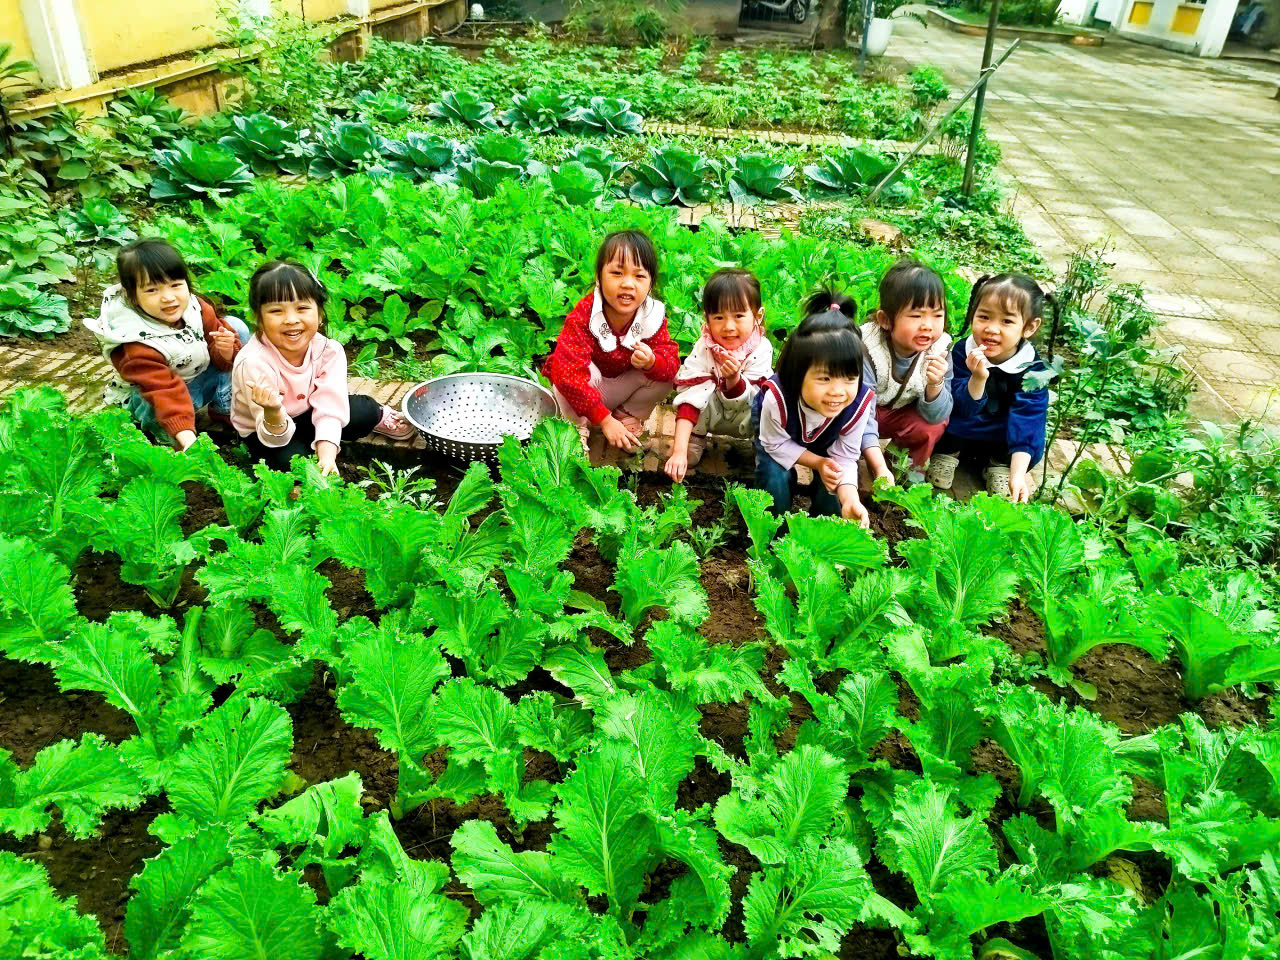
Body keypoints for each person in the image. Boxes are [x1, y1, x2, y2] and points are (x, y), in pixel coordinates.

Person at [230, 261, 415, 475]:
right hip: (268, 428)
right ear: (259, 319)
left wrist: (327, 456)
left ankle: (375, 418)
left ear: (319, 315)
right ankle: (309, 448)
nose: (291, 319)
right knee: (290, 465)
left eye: (302, 308)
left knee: (364, 411)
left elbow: (329, 406)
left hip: (309, 412)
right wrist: (273, 411)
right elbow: (273, 438)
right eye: (276, 311)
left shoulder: (329, 350)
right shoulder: (253, 363)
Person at [84, 238, 249, 450]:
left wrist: (225, 352)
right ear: (131, 294)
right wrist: (190, 443)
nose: (168, 297)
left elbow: (223, 354)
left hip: (189, 379)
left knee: (235, 328)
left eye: (175, 285)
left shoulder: (196, 307)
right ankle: (169, 438)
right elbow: (165, 391)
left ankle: (223, 405)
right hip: (156, 400)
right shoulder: (134, 344)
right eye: (152, 290)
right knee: (154, 408)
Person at [751, 292, 894, 527]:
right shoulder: (777, 399)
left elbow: (845, 457)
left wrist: (850, 499)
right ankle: (773, 532)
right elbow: (774, 444)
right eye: (825, 379)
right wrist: (818, 462)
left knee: (833, 485)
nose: (838, 391)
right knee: (774, 476)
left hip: (826, 437)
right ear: (797, 375)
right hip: (780, 435)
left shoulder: (857, 405)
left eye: (849, 378)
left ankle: (821, 530)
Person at [542, 230, 680, 453]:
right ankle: (576, 428)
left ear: (650, 283)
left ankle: (626, 416)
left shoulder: (650, 316)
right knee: (568, 369)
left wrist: (652, 362)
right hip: (581, 391)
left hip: (617, 389)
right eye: (617, 273)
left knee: (667, 375)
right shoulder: (585, 316)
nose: (628, 284)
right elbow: (568, 376)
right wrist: (604, 420)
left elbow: (671, 361)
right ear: (599, 277)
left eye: (639, 276)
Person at [929, 273, 1058, 502]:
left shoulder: (1033, 369)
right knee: (940, 416)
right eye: (984, 317)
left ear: (1029, 327)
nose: (991, 328)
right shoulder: (961, 351)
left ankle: (1000, 464)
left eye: (1006, 321)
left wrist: (1018, 475)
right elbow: (957, 406)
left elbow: (1028, 419)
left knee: (1032, 440)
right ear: (973, 314)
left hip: (1003, 437)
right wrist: (977, 379)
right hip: (963, 427)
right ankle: (949, 452)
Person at [664, 268, 774, 483]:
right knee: (697, 389)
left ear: (758, 316)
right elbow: (690, 396)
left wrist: (734, 381)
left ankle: (763, 447)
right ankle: (694, 439)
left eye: (739, 316)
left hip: (746, 416)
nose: (728, 327)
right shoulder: (704, 347)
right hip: (712, 414)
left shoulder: (762, 349)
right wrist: (678, 451)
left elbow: (754, 399)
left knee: (769, 403)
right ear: (706, 319)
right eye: (718, 317)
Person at [861, 260, 952, 468]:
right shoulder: (866, 347)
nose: (928, 326)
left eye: (937, 315)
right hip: (860, 415)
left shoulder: (940, 349)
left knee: (930, 426)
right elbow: (860, 412)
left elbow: (937, 416)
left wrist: (935, 385)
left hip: (900, 416)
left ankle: (900, 470)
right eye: (916, 316)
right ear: (885, 320)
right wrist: (876, 465)